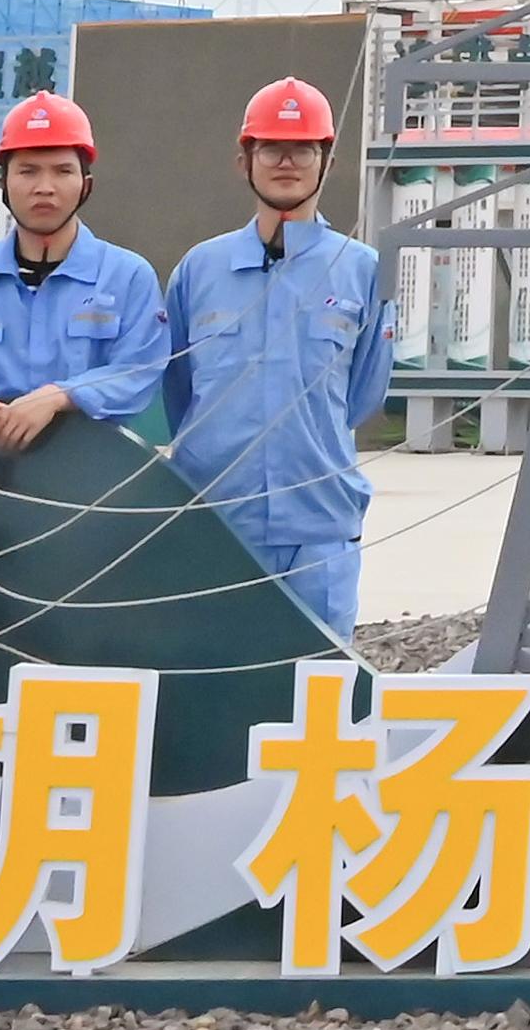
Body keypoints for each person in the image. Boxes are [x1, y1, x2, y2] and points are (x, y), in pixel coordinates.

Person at [158, 78, 399, 644]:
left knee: (317, 682)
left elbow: (363, 394)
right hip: (215, 520)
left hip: (319, 522)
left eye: (303, 149)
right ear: (244, 160)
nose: (286, 162)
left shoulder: (362, 271)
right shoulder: (199, 270)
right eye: (270, 148)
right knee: (212, 673)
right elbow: (179, 392)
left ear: (327, 162)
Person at [0, 91, 170, 456]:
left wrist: (60, 396)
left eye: (63, 171)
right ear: (3, 183)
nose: (44, 187)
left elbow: (139, 370)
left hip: (91, 471)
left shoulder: (128, 277)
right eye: (28, 171)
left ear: (86, 184)